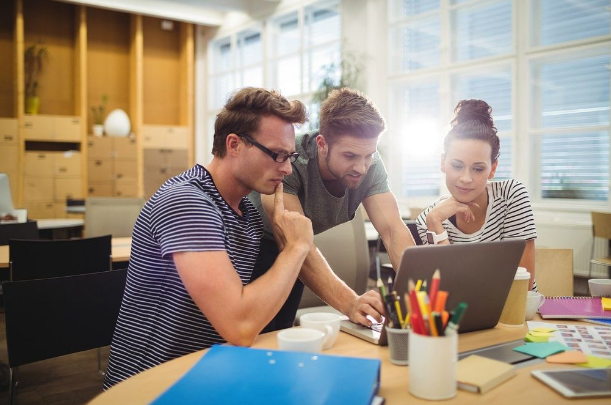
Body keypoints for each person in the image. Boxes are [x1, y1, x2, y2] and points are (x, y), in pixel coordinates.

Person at [103, 88, 314, 389]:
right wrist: (297, 247)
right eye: (277, 155)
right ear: (234, 145)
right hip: (151, 386)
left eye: (290, 156)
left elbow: (250, 311)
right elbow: (240, 326)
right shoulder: (187, 202)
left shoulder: (248, 216)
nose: (287, 168)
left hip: (208, 373)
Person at [249, 88, 416, 332]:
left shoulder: (369, 164)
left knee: (283, 335)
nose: (361, 167)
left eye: (368, 155)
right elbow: (294, 242)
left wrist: (420, 295)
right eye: (349, 155)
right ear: (322, 144)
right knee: (258, 338)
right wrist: (351, 303)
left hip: (297, 252)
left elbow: (392, 230)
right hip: (253, 247)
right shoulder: (289, 160)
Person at [415, 99, 537, 289]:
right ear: (443, 162)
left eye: (478, 169)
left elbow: (523, 285)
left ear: (493, 169)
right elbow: (446, 290)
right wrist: (435, 223)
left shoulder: (511, 195)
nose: (466, 178)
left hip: (515, 314)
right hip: (462, 317)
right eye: (457, 166)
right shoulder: (429, 219)